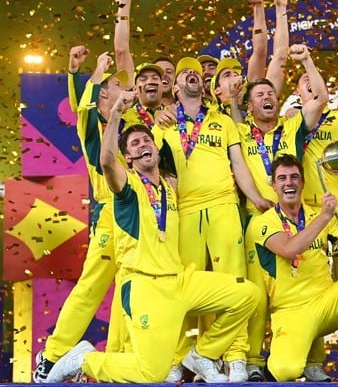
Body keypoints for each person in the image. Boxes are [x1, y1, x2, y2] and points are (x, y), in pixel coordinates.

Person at [43, 89, 259, 383]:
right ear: (128, 158)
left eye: (146, 140)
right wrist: (116, 113)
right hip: (146, 286)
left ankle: (203, 353)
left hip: (180, 281)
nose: (143, 144)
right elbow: (106, 161)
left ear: (156, 148)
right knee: (152, 373)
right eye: (135, 143)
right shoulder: (127, 189)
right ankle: (85, 359)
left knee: (247, 294)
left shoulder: (169, 188)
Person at [152, 56, 270, 382]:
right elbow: (154, 170)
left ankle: (235, 357)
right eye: (184, 72)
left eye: (196, 71)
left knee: (234, 282)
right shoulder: (163, 123)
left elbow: (239, 164)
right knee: (185, 288)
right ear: (175, 87)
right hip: (184, 210)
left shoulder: (223, 121)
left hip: (223, 204)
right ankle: (178, 358)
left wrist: (256, 197)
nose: (192, 73)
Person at [249, 154, 338, 383]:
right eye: (282, 178)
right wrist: (325, 216)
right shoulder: (263, 222)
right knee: (285, 371)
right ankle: (283, 358)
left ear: (303, 183)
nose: (289, 183)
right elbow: (289, 249)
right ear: (273, 186)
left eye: (295, 177)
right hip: (291, 311)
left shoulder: (317, 215)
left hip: (325, 303)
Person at [33, 51, 130, 383]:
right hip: (110, 213)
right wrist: (92, 72)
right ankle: (51, 356)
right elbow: (84, 105)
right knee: (91, 287)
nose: (124, 88)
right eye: (117, 85)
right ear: (102, 94)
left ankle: (120, 361)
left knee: (133, 286)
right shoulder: (92, 125)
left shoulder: (128, 126)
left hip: (138, 212)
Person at [235, 44, 328, 381]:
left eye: (271, 93)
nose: (267, 98)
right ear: (249, 106)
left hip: (294, 217)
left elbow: (320, 98)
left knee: (309, 285)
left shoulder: (292, 127)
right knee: (257, 295)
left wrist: (307, 60)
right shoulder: (238, 132)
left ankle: (313, 361)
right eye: (259, 95)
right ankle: (253, 360)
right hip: (257, 222)